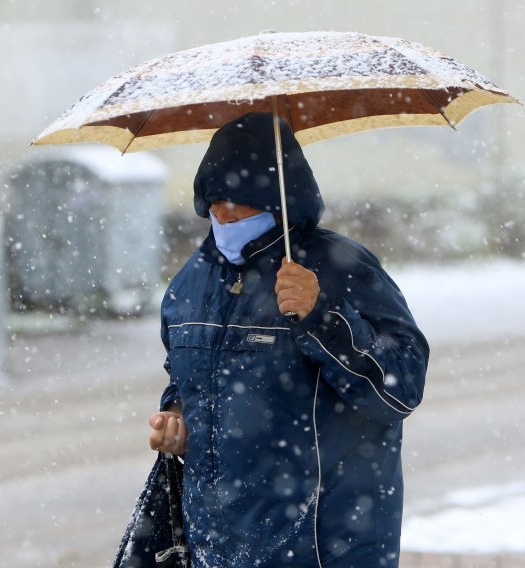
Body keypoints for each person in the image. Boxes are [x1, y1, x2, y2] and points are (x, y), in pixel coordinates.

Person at [148, 112, 429, 568]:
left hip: (321, 547)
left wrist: (320, 316)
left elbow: (400, 389)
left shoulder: (339, 267)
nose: (222, 214)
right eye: (213, 199)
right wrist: (177, 415)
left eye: (238, 200)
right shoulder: (190, 281)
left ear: (276, 198)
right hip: (217, 548)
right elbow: (186, 381)